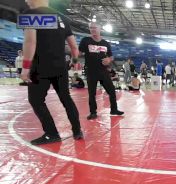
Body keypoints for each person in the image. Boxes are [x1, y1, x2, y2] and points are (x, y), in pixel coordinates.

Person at [20, 0, 82, 145]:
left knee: (36, 100)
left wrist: (25, 68)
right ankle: (77, 131)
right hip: (61, 66)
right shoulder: (62, 18)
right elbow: (73, 46)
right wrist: (73, 62)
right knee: (66, 99)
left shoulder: (31, 14)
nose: (26, 1)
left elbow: (30, 42)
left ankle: (52, 133)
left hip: (40, 67)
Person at [79, 22, 124, 120]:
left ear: (100, 29)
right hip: (91, 71)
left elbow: (111, 56)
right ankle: (93, 112)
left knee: (112, 91)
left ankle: (114, 109)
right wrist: (74, 59)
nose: (93, 29)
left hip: (103, 71)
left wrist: (109, 60)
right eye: (91, 28)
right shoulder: (85, 41)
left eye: (95, 28)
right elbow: (78, 52)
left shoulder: (105, 43)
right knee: (92, 93)